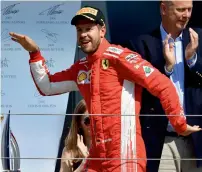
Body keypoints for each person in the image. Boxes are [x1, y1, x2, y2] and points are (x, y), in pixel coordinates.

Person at [9, 6, 201, 172]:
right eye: (79, 30)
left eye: (88, 29)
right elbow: (47, 86)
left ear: (102, 30)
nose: (83, 34)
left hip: (125, 156)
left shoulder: (121, 57)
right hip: (97, 155)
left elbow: (163, 85)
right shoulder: (81, 67)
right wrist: (34, 53)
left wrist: (179, 124)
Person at [128, 0, 202, 172]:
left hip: (196, 140)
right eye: (180, 10)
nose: (187, 15)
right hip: (161, 141)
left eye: (190, 9)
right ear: (163, 8)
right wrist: (166, 69)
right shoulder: (140, 44)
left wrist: (192, 60)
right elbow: (140, 92)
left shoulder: (199, 39)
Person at [60, 99, 91, 172]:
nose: (93, 124)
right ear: (79, 124)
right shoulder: (70, 150)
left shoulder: (107, 147)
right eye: (88, 121)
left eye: (96, 119)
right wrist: (84, 163)